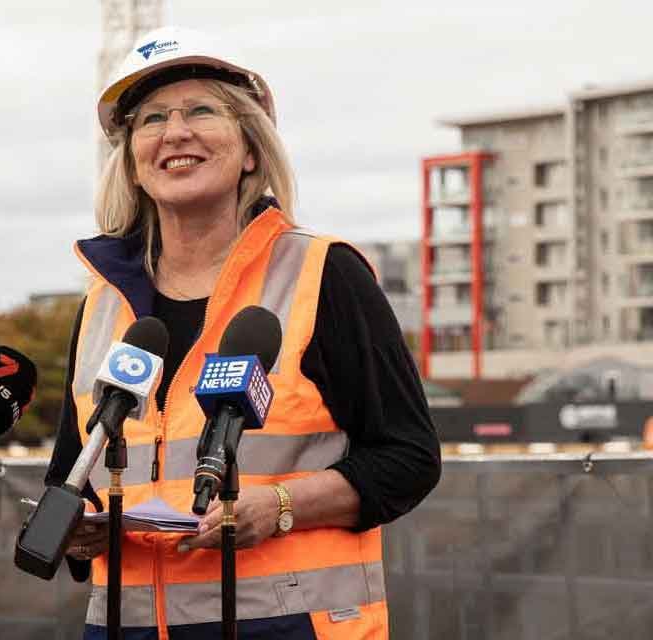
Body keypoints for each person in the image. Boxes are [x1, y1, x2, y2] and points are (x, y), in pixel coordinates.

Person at [44, 26, 441, 640]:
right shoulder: (102, 304)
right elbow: (72, 473)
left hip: (288, 625)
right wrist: (76, 527)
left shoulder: (322, 274)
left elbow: (408, 457)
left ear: (251, 149)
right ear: (133, 165)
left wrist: (281, 507)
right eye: (152, 120)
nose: (175, 132)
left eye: (201, 111)